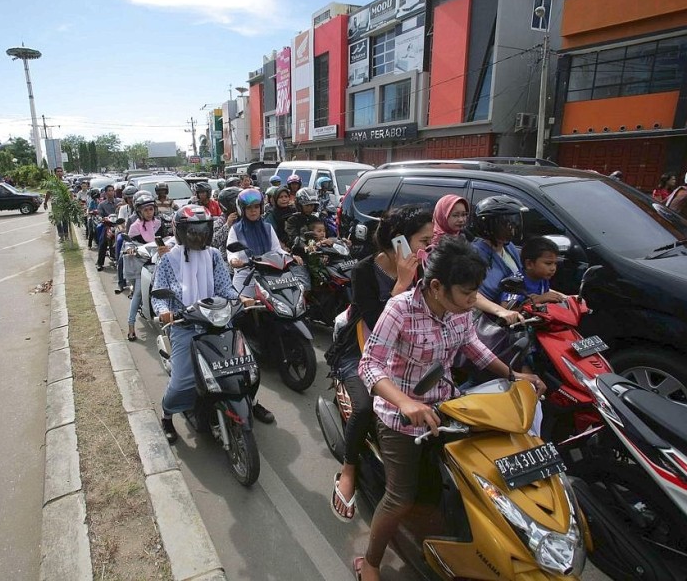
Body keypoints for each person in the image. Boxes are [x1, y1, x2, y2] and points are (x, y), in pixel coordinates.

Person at [354, 236, 545, 581]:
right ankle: (370, 561)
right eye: (467, 293)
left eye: (475, 293)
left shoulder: (461, 310)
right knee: (400, 498)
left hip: (448, 407)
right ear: (437, 286)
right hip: (400, 418)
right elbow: (369, 366)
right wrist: (405, 402)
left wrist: (515, 375)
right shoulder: (400, 309)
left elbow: (473, 346)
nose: (473, 301)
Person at [328, 206, 433, 522]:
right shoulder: (364, 270)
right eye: (423, 240)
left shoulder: (425, 268)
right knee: (364, 407)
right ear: (399, 241)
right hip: (364, 350)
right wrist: (402, 284)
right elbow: (377, 321)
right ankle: (348, 469)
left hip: (410, 350)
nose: (428, 248)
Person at [151, 205, 247, 443]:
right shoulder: (168, 260)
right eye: (193, 231)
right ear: (181, 232)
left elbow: (225, 286)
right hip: (185, 325)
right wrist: (164, 312)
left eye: (202, 230)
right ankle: (167, 415)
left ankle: (248, 402)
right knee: (183, 379)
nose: (198, 236)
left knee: (240, 365)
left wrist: (239, 298)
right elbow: (157, 293)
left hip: (215, 321)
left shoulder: (214, 255)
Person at [227, 188, 303, 296]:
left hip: (269, 276)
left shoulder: (268, 227)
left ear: (261, 208)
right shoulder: (236, 229)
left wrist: (291, 256)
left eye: (256, 207)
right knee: (244, 310)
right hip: (246, 277)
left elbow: (276, 249)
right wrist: (233, 260)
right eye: (249, 207)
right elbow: (231, 251)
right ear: (242, 209)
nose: (253, 210)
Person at [470, 196, 526, 325]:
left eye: (514, 221)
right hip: (491, 322)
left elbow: (521, 278)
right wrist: (500, 311)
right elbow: (470, 293)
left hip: (518, 311)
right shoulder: (475, 254)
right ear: (488, 226)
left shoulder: (509, 247)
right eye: (506, 223)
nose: (512, 227)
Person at [125, 193, 165, 340]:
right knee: (138, 294)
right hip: (141, 263)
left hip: (158, 261)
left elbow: (166, 240)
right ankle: (130, 325)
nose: (149, 213)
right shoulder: (135, 227)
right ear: (139, 212)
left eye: (151, 209)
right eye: (146, 210)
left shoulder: (159, 223)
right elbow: (128, 242)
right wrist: (129, 248)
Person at [502, 236, 567, 306]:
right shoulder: (517, 282)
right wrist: (538, 300)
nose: (553, 268)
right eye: (548, 263)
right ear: (529, 264)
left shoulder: (542, 278)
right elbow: (505, 308)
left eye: (555, 264)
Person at [211, 186, 242, 272]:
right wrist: (227, 225)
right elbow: (213, 242)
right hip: (227, 261)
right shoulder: (220, 221)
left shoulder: (245, 217)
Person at [95, 184, 122, 270]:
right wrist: (102, 218)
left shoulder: (120, 202)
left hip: (119, 225)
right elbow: (99, 215)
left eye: (112, 190)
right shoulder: (102, 204)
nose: (111, 192)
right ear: (105, 193)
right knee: (103, 241)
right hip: (108, 225)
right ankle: (100, 263)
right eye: (109, 191)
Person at [43, 167, 72, 242]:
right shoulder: (52, 183)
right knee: (58, 221)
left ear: (63, 172)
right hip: (55, 204)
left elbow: (70, 193)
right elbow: (48, 193)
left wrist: (71, 202)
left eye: (61, 171)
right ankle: (61, 236)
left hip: (65, 203)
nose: (59, 173)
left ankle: (66, 236)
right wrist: (45, 202)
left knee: (65, 220)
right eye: (58, 171)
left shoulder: (66, 182)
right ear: (55, 173)